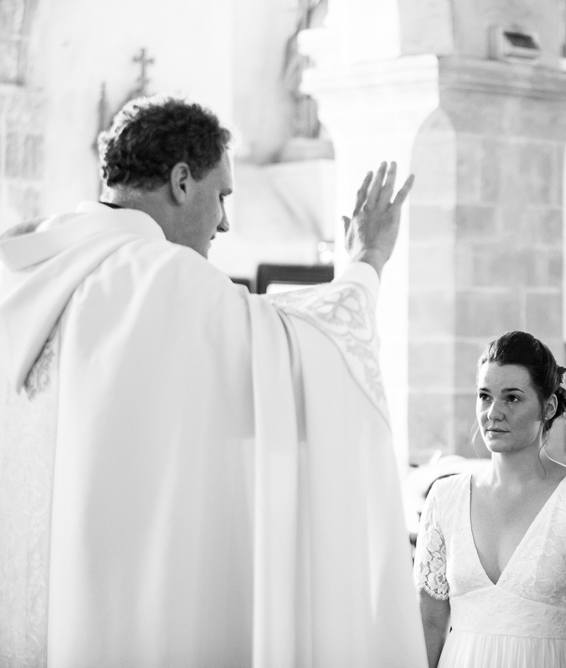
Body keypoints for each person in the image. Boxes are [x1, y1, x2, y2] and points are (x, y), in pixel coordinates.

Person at [0, 96, 425, 667]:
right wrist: (366, 262)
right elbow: (294, 356)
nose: (224, 221)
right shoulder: (158, 276)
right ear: (180, 181)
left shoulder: (34, 267)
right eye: (221, 195)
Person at [414, 330, 566, 668]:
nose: (493, 412)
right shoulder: (445, 496)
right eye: (484, 396)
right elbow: (429, 621)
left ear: (548, 406)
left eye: (512, 398)